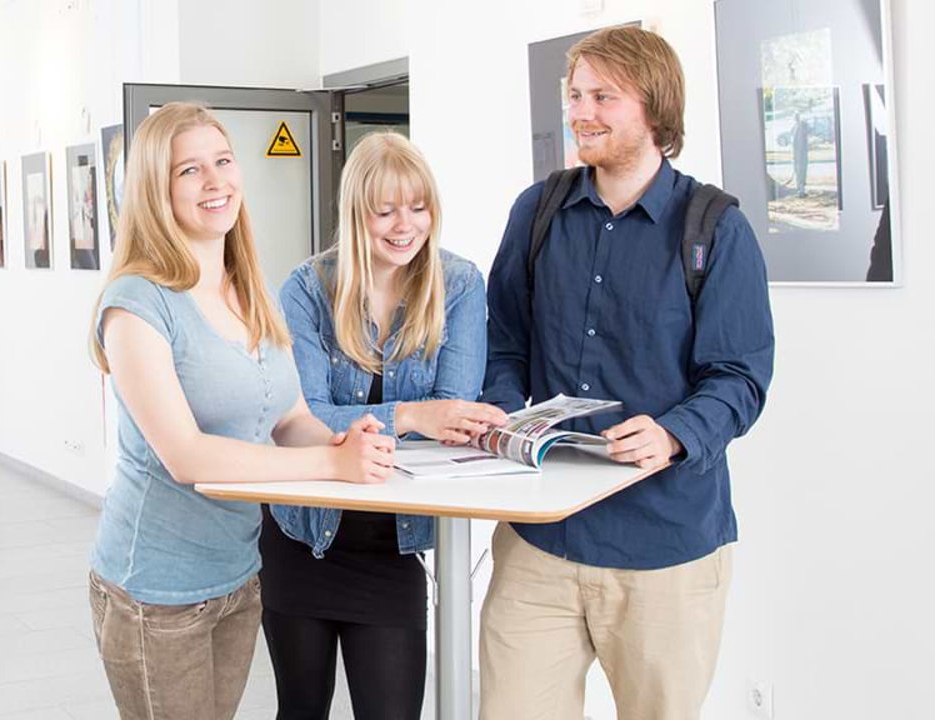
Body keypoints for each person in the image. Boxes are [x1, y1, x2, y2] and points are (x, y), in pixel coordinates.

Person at [479, 26, 774, 719]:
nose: (581, 111)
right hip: (539, 540)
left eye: (602, 96)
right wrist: (497, 412)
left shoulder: (716, 230)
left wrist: (674, 433)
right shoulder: (538, 210)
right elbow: (505, 342)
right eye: (575, 94)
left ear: (655, 108)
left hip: (665, 548)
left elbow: (740, 377)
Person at [87, 101, 395, 720]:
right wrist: (330, 470)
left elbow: (290, 418)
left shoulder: (249, 288)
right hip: (156, 589)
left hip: (237, 574)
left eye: (223, 161)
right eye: (189, 170)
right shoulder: (136, 305)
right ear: (155, 189)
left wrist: (337, 443)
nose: (215, 181)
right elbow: (186, 456)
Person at [261, 132, 506, 720]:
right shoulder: (307, 288)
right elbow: (300, 417)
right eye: (386, 209)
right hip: (303, 538)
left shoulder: (460, 284)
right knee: (299, 711)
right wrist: (412, 415)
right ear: (355, 213)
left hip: (393, 549)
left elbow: (455, 413)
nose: (406, 225)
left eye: (419, 207)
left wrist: (428, 417)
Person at [791, 111, 810, 197]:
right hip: (800, 154)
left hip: (799, 154)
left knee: (800, 172)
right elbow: (799, 142)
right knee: (800, 172)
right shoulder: (798, 127)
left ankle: (801, 189)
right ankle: (800, 191)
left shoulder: (797, 127)